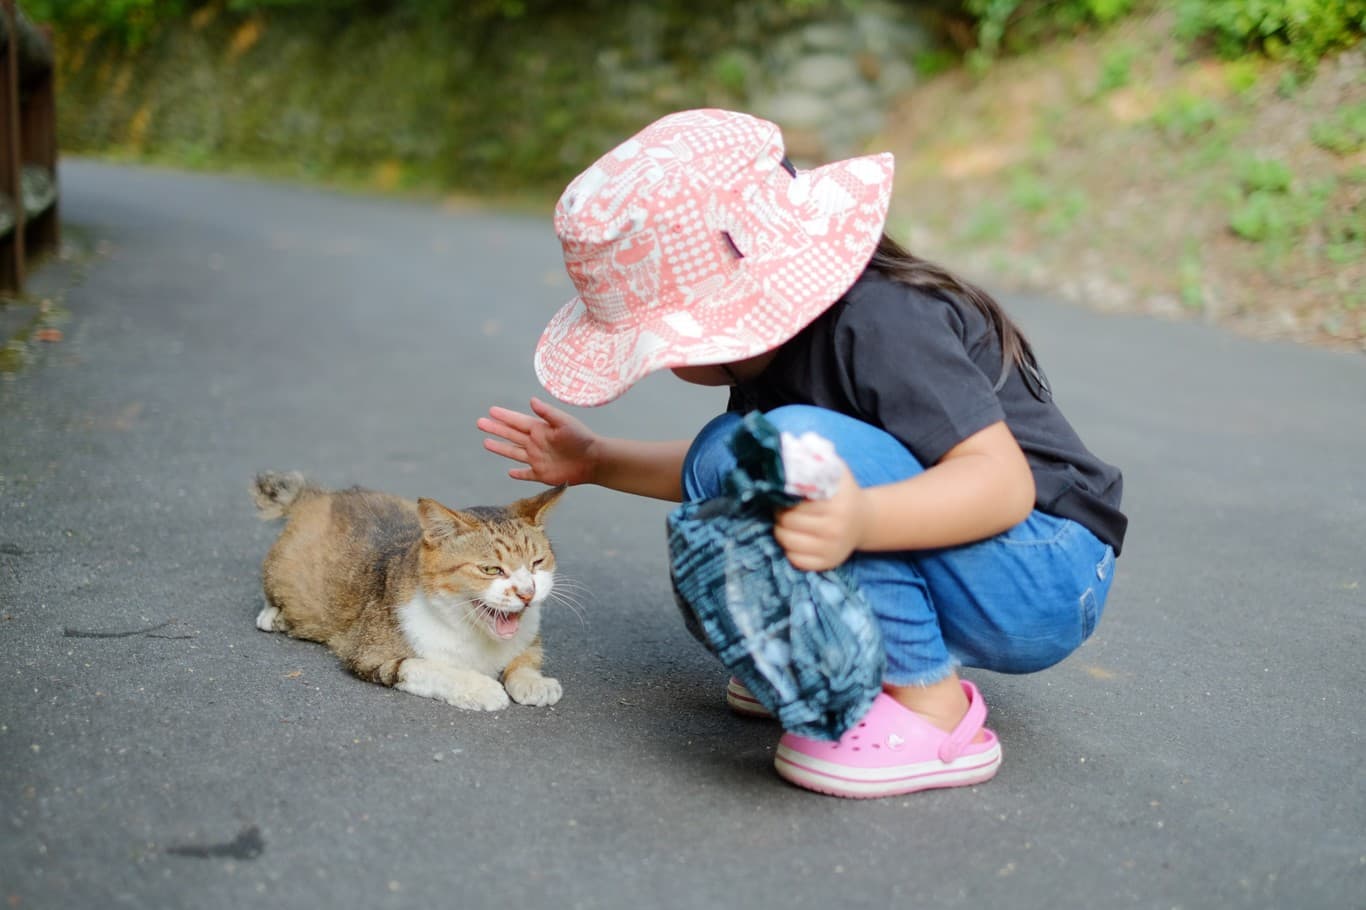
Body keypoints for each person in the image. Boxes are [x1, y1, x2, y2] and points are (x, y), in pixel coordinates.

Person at [478, 108, 1126, 799]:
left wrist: (859, 522)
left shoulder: (881, 322)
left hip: (1043, 566)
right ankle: (837, 664)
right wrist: (598, 461)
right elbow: (748, 468)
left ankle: (935, 715)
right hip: (975, 552)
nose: (664, 363)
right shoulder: (776, 355)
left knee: (784, 451)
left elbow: (1001, 485)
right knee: (725, 455)